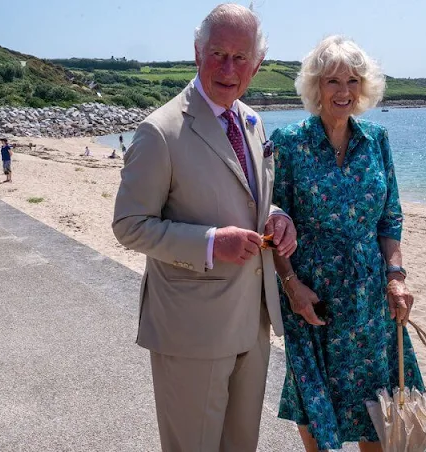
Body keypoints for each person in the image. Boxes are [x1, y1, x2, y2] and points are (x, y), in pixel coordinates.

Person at [112, 4, 297, 451]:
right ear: (197, 52)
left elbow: (253, 195)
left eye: (240, 58)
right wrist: (212, 242)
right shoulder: (160, 131)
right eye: (218, 53)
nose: (228, 68)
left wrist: (278, 215)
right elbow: (129, 225)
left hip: (251, 321)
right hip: (191, 328)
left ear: (256, 65)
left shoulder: (251, 120)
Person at [270, 36, 425, 452]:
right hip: (313, 296)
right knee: (316, 404)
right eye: (332, 81)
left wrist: (396, 276)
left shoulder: (376, 139)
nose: (343, 91)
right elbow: (271, 223)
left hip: (369, 297)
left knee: (375, 409)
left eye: (352, 80)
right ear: (315, 86)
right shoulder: (287, 142)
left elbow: (390, 216)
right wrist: (291, 285)